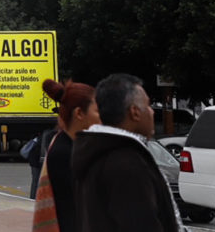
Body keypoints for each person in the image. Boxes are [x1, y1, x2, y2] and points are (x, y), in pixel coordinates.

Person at [72, 74, 183, 232]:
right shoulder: (127, 164)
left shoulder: (95, 152)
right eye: (149, 106)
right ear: (135, 112)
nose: (152, 112)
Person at [34, 79, 100, 232]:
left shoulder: (70, 145)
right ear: (79, 114)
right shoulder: (65, 153)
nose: (101, 118)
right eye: (97, 111)